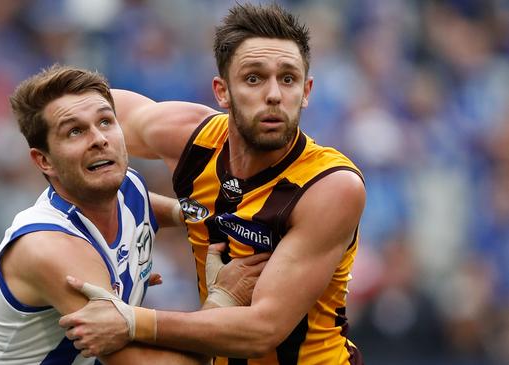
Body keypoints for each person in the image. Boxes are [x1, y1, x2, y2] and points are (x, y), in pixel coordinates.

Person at [59, 3, 366, 364]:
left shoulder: (330, 186)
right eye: (253, 78)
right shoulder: (191, 139)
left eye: (288, 78)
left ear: (307, 90)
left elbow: (262, 329)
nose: (273, 94)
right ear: (222, 91)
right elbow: (68, 113)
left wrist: (129, 320)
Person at [0, 64, 267, 365]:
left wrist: (198, 217)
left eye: (106, 122)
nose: (99, 139)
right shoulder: (52, 249)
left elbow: (143, 204)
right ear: (44, 161)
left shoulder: (125, 186)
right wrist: (223, 298)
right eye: (75, 131)